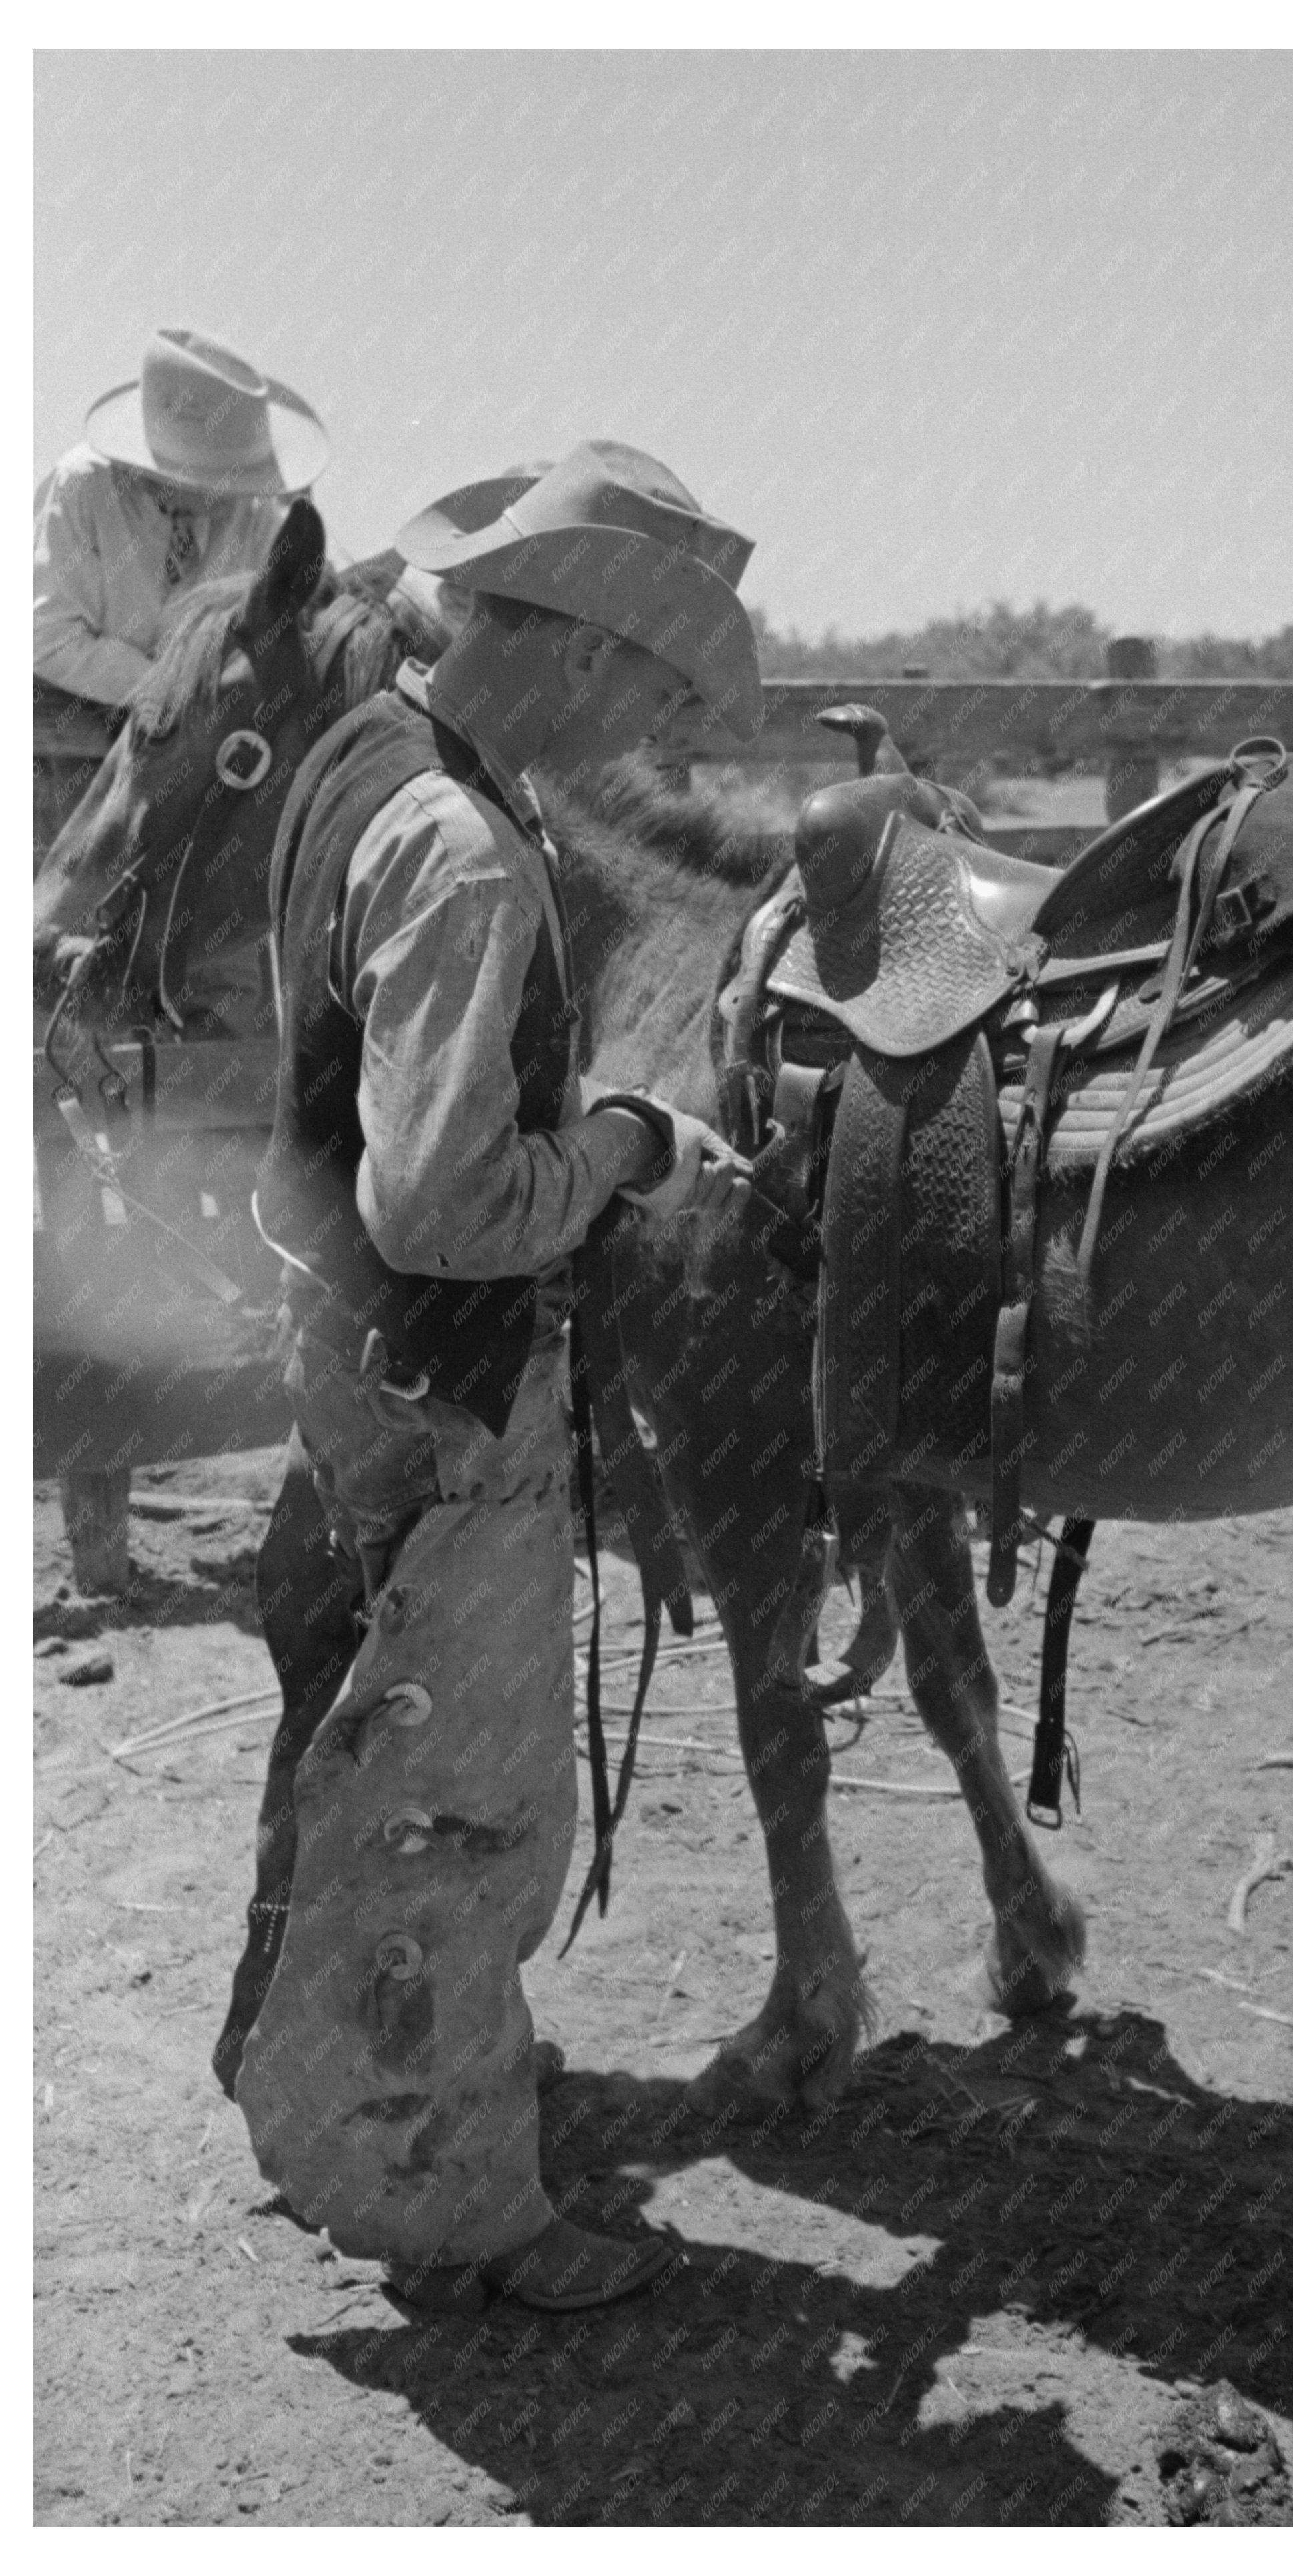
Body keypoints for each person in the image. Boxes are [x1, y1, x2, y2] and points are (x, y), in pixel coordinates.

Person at [232, 441, 759, 2316]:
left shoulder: (361, 751)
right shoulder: (466, 853)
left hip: (343, 1349)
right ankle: (461, 2197)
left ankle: (306, 2090)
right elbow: (452, 1204)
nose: (650, 719)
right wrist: (622, 1144)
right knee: (465, 1804)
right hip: (446, 1381)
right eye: (641, 677)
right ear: (564, 646)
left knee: (357, 1743)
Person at [33, 326, 331, 708]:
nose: (240, 493)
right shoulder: (85, 486)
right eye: (222, 478)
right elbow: (49, 638)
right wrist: (175, 693)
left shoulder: (257, 520)